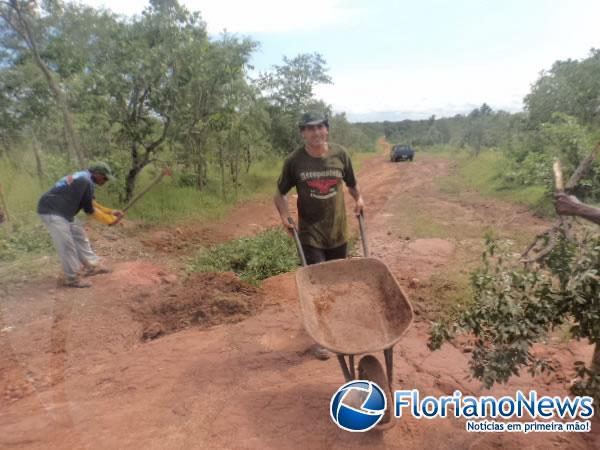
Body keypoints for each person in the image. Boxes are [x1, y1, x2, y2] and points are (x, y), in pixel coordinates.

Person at [274, 112, 365, 359]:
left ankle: (334, 324)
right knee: (318, 284)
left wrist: (359, 199)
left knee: (336, 281)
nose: (315, 132)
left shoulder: (341, 155)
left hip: (338, 231)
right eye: (309, 129)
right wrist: (284, 216)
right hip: (310, 233)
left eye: (320, 127)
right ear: (303, 133)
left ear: (327, 130)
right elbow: (279, 194)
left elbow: (352, 184)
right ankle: (321, 338)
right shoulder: (295, 161)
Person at [37, 162, 123, 288]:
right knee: (67, 245)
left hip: (64, 211)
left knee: (80, 236)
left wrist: (110, 212)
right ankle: (72, 278)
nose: (105, 181)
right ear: (97, 174)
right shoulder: (84, 181)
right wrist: (110, 220)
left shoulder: (84, 178)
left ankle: (92, 265)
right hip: (52, 211)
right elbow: (89, 210)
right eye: (104, 177)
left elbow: (91, 203)